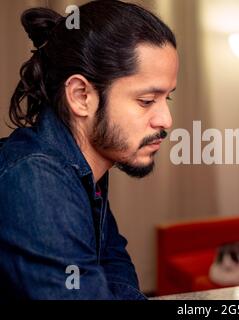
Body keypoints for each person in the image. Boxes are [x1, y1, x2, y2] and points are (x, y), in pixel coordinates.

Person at [0, 0, 178, 300]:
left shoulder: (82, 165)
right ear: (81, 96)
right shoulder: (36, 177)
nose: (166, 121)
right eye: (147, 100)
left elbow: (114, 266)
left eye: (167, 99)